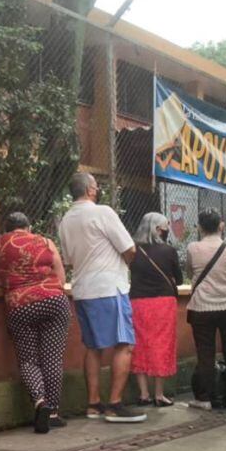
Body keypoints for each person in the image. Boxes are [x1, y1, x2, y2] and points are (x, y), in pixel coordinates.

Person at [58, 172, 146, 423]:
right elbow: (129, 248)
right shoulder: (103, 212)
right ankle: (115, 404)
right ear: (90, 190)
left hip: (83, 289)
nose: (98, 190)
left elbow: (68, 260)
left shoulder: (65, 221)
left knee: (94, 347)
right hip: (109, 286)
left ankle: (93, 404)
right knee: (124, 344)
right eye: (96, 186)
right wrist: (123, 264)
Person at [0, 212, 73, 433]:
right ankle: (53, 412)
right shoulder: (45, 242)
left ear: (7, 228)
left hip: (20, 305)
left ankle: (40, 401)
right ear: (28, 227)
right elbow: (61, 278)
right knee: (52, 357)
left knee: (28, 360)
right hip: (54, 301)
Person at [185, 209, 226, 410]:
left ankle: (204, 399)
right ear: (221, 225)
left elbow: (190, 272)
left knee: (205, 354)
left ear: (199, 227)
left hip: (203, 308)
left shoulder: (193, 248)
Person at [128, 212, 184, 408]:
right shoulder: (168, 251)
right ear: (158, 229)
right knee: (162, 345)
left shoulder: (133, 251)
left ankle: (143, 394)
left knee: (140, 344)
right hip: (163, 303)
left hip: (138, 303)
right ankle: (159, 394)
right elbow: (180, 279)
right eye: (166, 226)